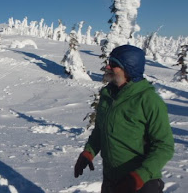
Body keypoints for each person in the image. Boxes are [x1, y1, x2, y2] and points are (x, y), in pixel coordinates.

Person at [74, 45, 174, 193]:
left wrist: (139, 177)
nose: (108, 66)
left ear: (128, 69)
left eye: (114, 64)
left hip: (140, 183)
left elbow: (164, 146)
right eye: (109, 62)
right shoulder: (108, 94)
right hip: (111, 180)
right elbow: (101, 129)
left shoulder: (148, 100)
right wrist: (89, 152)